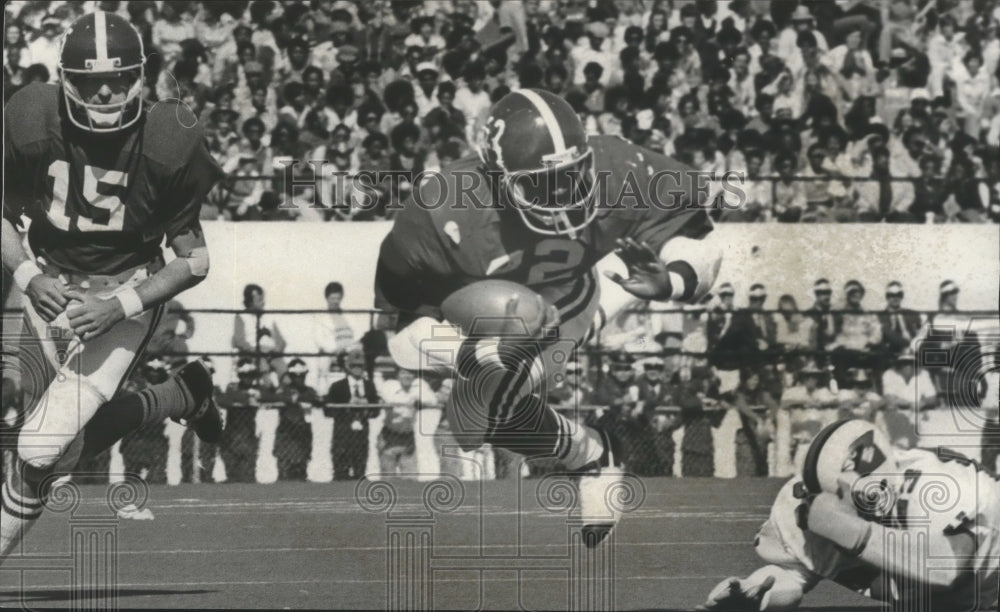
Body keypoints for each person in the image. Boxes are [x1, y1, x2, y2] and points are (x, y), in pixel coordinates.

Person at [375, 88, 725, 546]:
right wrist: (469, 354)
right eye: (543, 182)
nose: (562, 193)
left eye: (571, 175)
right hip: (464, 313)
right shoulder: (439, 210)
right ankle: (592, 452)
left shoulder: (618, 166)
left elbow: (697, 231)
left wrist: (671, 281)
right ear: (498, 178)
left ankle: (591, 456)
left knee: (484, 412)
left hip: (568, 292)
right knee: (470, 428)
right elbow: (400, 333)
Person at [1, 12, 222, 564]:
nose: (106, 90)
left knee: (40, 448)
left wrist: (116, 306)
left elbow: (194, 261)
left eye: (120, 78)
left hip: (126, 290)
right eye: (92, 78)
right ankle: (179, 394)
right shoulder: (30, 115)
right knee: (60, 448)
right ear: (64, 80)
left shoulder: (172, 135)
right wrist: (28, 275)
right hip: (49, 281)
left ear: (141, 79)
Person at [701, 419, 1000, 611]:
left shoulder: (934, 485)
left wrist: (853, 533)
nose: (837, 509)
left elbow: (946, 566)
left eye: (846, 496)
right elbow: (794, 576)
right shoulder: (807, 505)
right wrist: (759, 595)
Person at [326, 348, 380, 480]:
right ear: (347, 366)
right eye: (354, 365)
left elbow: (376, 411)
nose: (357, 368)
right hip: (342, 436)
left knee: (360, 474)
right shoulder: (337, 386)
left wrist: (367, 406)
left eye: (360, 366)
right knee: (340, 474)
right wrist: (347, 405)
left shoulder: (369, 386)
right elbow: (327, 411)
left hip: (361, 435)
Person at [274, 359, 317, 481]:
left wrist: (298, 398)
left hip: (303, 436)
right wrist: (290, 398)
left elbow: (318, 398)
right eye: (295, 376)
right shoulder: (284, 390)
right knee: (284, 474)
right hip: (286, 436)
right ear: (290, 376)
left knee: (301, 472)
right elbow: (276, 396)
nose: (299, 379)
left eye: (301, 376)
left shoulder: (309, 391)